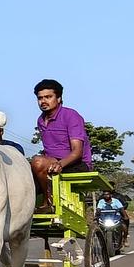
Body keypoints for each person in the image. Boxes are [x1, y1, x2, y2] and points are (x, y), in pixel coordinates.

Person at [29, 79, 92, 212]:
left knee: (38, 162)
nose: (43, 101)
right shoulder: (41, 120)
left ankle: (48, 202)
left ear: (58, 98)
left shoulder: (71, 116)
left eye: (48, 97)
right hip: (51, 163)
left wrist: (60, 164)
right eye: (40, 98)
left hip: (76, 164)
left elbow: (77, 152)